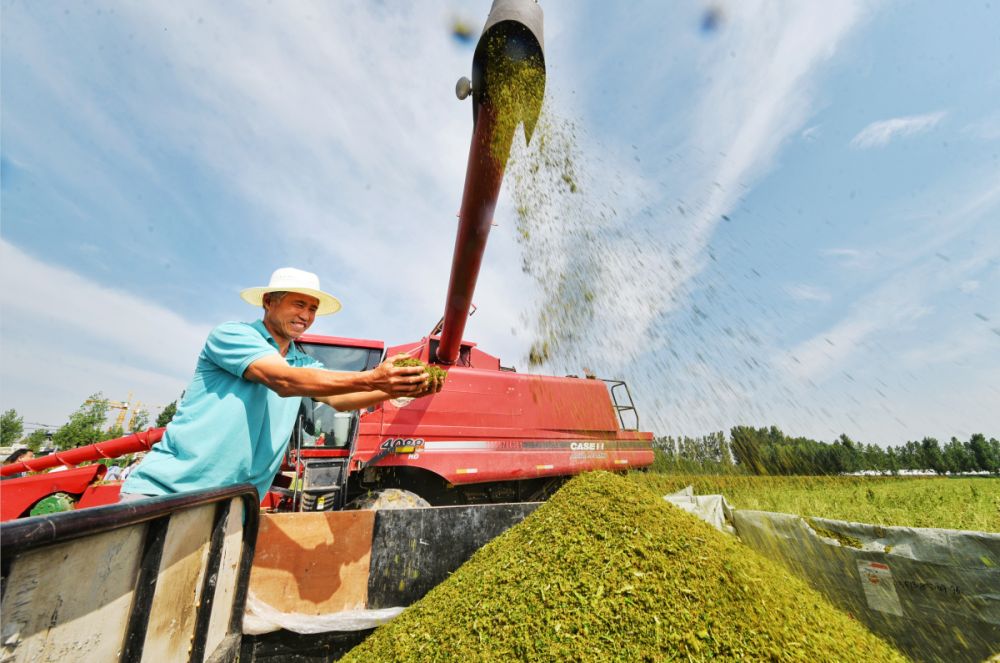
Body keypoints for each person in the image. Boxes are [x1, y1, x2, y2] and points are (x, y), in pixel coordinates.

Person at [121, 267, 439, 502]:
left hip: (234, 502)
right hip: (169, 493)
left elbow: (343, 399)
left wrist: (398, 389)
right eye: (298, 304)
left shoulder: (303, 362)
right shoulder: (233, 335)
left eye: (312, 308)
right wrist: (374, 376)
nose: (306, 315)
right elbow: (282, 380)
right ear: (269, 302)